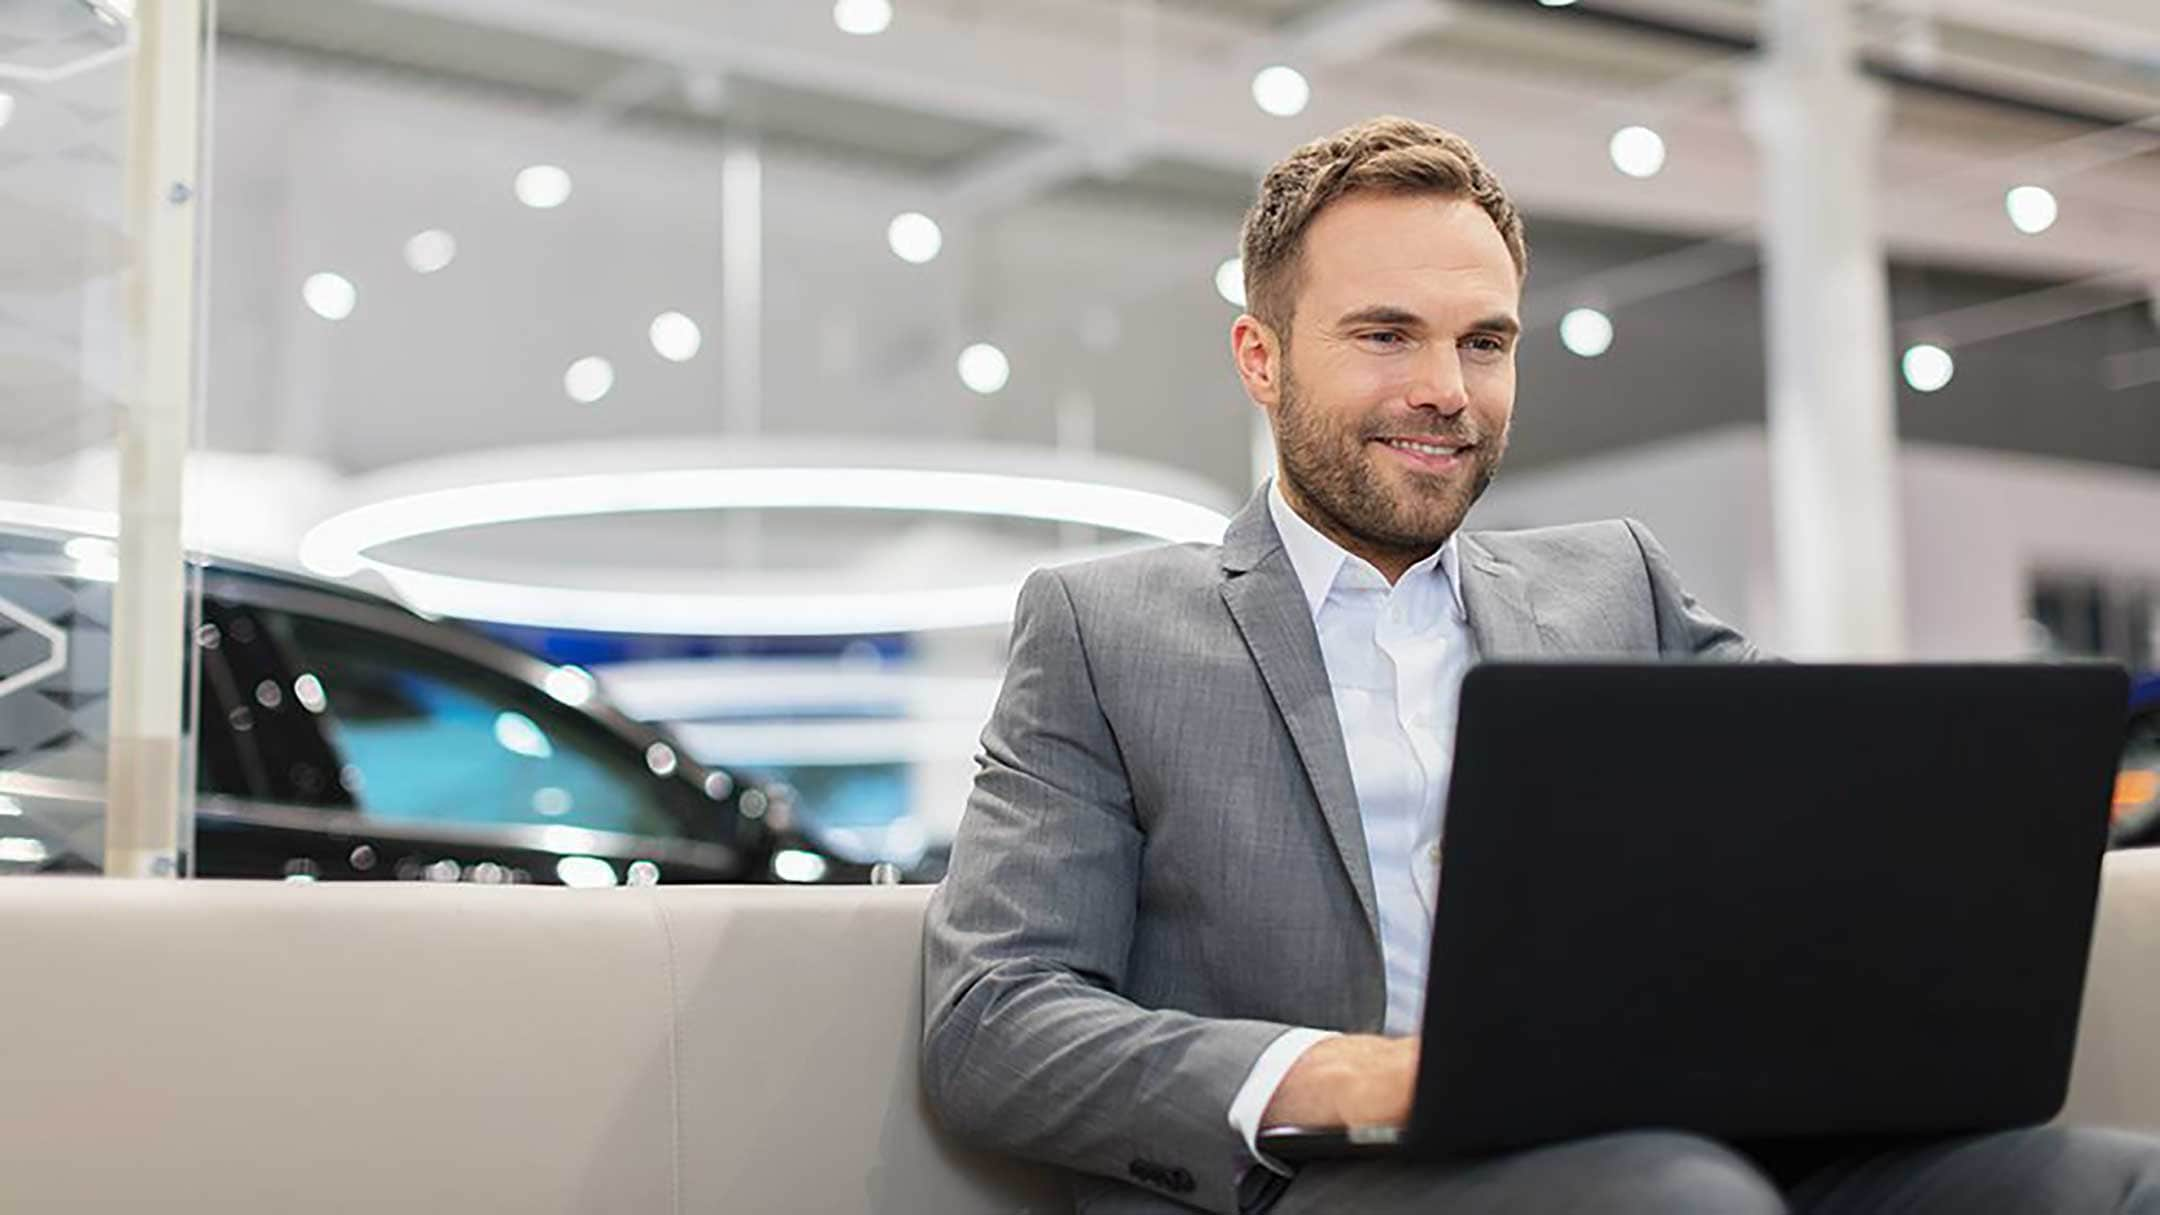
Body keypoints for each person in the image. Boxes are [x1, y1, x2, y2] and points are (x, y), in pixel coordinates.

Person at [921, 115, 2160, 1215]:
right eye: (1386, 334)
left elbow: (1846, 798)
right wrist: (1339, 1073)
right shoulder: (1106, 628)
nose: (1444, 390)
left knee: (2111, 1181)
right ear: (1261, 358)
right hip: (1338, 1179)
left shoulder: (1615, 582)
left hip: (1685, 1136)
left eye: (1485, 342)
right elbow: (995, 1021)